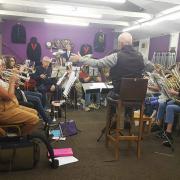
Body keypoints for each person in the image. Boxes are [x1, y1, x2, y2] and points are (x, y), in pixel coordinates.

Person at [70, 32, 145, 100]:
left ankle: (115, 114)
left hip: (120, 93)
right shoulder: (141, 56)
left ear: (121, 44)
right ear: (131, 43)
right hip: (137, 94)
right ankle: (128, 113)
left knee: (109, 95)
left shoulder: (117, 56)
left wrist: (80, 59)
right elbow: (150, 67)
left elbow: (97, 63)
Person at [0, 57, 39, 136]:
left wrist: (13, 85)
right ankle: (18, 137)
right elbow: (8, 97)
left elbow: (9, 91)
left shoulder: (1, 78)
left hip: (10, 106)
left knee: (35, 112)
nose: (2, 68)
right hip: (3, 111)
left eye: (3, 65)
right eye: (1, 66)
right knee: (34, 119)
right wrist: (12, 82)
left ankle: (16, 131)